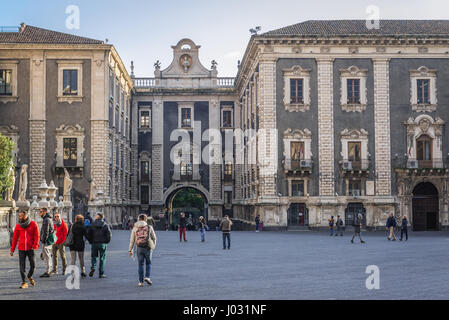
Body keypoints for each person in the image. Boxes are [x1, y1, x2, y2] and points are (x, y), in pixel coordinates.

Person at [10, 211, 40, 289]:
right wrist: (12, 249)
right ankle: (24, 282)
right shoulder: (18, 226)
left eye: (21, 216)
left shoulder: (33, 224)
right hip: (21, 248)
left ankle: (29, 276)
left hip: (31, 248)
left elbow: (37, 235)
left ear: (26, 216)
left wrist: (35, 245)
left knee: (33, 265)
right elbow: (15, 238)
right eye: (19, 216)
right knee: (22, 266)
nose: (19, 217)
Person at [129, 214, 157, 287]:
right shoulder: (149, 227)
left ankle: (140, 282)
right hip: (148, 247)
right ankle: (147, 277)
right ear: (145, 220)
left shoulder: (135, 228)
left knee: (140, 264)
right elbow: (154, 238)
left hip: (139, 248)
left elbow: (132, 240)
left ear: (139, 219)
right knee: (148, 263)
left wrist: (130, 250)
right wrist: (153, 246)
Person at [86, 213, 112, 278]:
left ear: (97, 217)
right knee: (102, 258)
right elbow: (109, 235)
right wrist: (107, 241)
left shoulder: (92, 225)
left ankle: (93, 267)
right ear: (102, 217)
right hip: (102, 244)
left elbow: (88, 234)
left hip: (94, 243)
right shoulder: (105, 225)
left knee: (94, 257)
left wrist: (90, 241)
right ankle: (101, 273)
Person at [39, 207, 56, 278]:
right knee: (47, 255)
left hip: (47, 240)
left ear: (45, 212)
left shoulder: (46, 220)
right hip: (48, 240)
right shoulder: (48, 219)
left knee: (47, 256)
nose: (40, 213)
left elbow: (46, 231)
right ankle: (49, 269)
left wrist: (43, 240)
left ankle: (48, 271)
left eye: (41, 212)